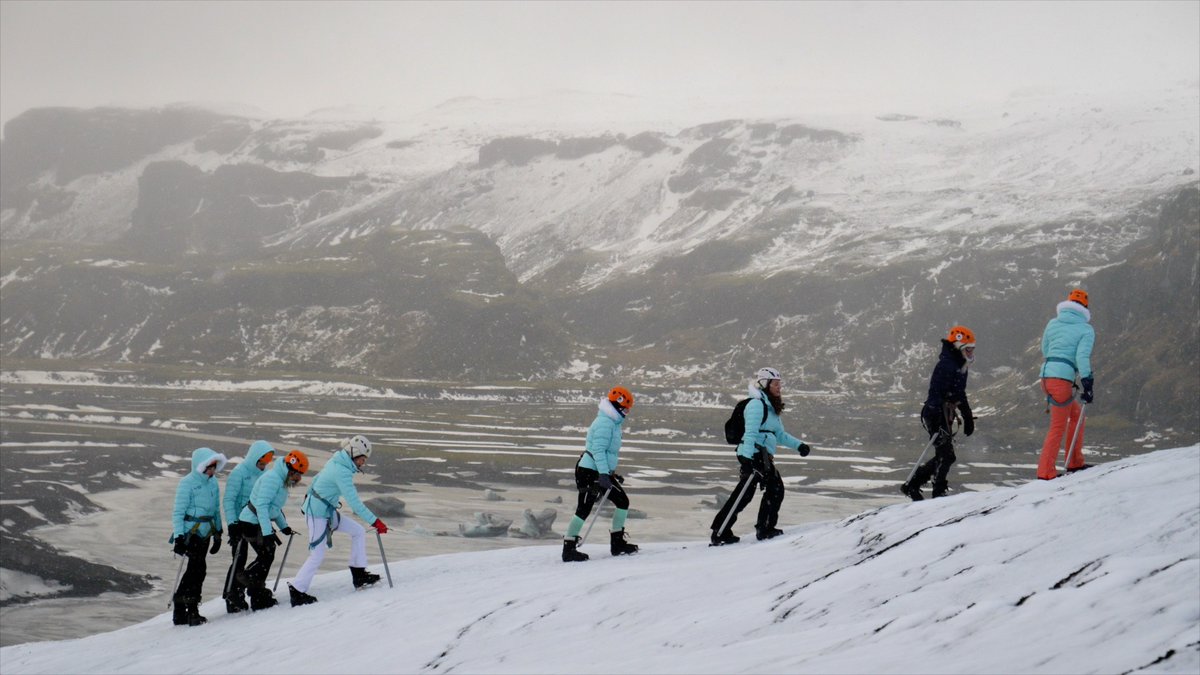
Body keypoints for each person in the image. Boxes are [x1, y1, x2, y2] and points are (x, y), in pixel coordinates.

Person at [710, 368, 811, 545]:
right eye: (776, 384)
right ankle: (720, 533)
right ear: (765, 384)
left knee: (775, 489)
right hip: (753, 454)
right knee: (744, 494)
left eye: (780, 384)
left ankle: (764, 528)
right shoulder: (756, 405)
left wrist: (799, 446)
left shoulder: (771, 408)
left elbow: (779, 434)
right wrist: (747, 459)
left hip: (763, 457)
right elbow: (750, 432)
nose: (779, 387)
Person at [288, 435, 386, 606]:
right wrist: (375, 521)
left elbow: (316, 480)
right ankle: (297, 590)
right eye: (362, 459)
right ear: (354, 453)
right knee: (317, 554)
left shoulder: (338, 461)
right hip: (317, 513)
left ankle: (359, 574)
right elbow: (355, 503)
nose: (363, 463)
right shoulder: (342, 472)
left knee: (358, 531)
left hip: (326, 511)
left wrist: (308, 499)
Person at [561, 386, 639, 562]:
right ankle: (569, 548)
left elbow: (606, 453)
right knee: (584, 508)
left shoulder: (613, 423)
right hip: (589, 471)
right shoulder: (605, 423)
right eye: (625, 409)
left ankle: (617, 544)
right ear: (618, 405)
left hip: (599, 471)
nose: (627, 412)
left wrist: (610, 473)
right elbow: (598, 450)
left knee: (622, 501)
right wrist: (604, 474)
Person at [901, 326, 976, 501]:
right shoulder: (947, 365)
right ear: (958, 346)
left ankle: (914, 484)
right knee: (946, 455)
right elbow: (936, 393)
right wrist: (938, 419)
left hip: (942, 413)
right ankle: (937, 491)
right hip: (935, 413)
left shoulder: (960, 365)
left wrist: (967, 416)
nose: (971, 353)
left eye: (972, 349)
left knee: (946, 455)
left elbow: (959, 393)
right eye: (968, 349)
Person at [234, 449, 308, 611]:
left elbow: (274, 509)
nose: (299, 479)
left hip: (257, 522)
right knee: (266, 554)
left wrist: (284, 526)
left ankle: (257, 592)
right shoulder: (273, 479)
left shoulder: (281, 480)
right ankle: (246, 581)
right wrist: (268, 533)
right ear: (291, 469)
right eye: (298, 474)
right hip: (251, 522)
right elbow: (262, 506)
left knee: (267, 554)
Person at [1036, 289, 1096, 480]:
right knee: (1057, 426)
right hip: (1061, 381)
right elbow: (1082, 356)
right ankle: (1046, 473)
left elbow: (1045, 349)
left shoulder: (1053, 323)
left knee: (1077, 415)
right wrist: (1087, 381)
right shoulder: (1086, 329)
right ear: (1085, 307)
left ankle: (1075, 461)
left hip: (1046, 376)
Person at [169, 447, 228, 627]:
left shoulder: (213, 483)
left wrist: (218, 532)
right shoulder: (187, 483)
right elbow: (178, 512)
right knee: (198, 569)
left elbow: (215, 509)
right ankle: (192, 609)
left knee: (195, 569)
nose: (213, 470)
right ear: (201, 466)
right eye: (210, 466)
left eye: (215, 466)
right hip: (191, 533)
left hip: (206, 532)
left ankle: (180, 608)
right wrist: (179, 537)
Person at [221, 440, 275, 613]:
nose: (264, 465)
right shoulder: (239, 473)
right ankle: (232, 596)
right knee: (239, 557)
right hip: (239, 523)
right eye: (262, 461)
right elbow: (229, 500)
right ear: (254, 458)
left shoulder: (265, 474)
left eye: (266, 462)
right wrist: (232, 524)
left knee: (267, 553)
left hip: (256, 522)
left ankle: (254, 589)